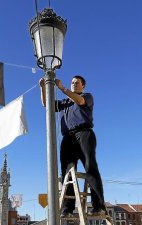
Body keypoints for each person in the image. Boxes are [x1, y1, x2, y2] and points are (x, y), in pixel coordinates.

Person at [39, 75, 106, 217]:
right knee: (67, 173)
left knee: (90, 167)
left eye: (77, 83)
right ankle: (68, 209)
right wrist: (42, 87)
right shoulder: (64, 102)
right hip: (68, 137)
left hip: (84, 133)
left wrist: (62, 88)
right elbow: (46, 104)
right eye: (72, 82)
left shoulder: (87, 96)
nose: (74, 84)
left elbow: (80, 101)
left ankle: (98, 206)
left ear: (83, 86)